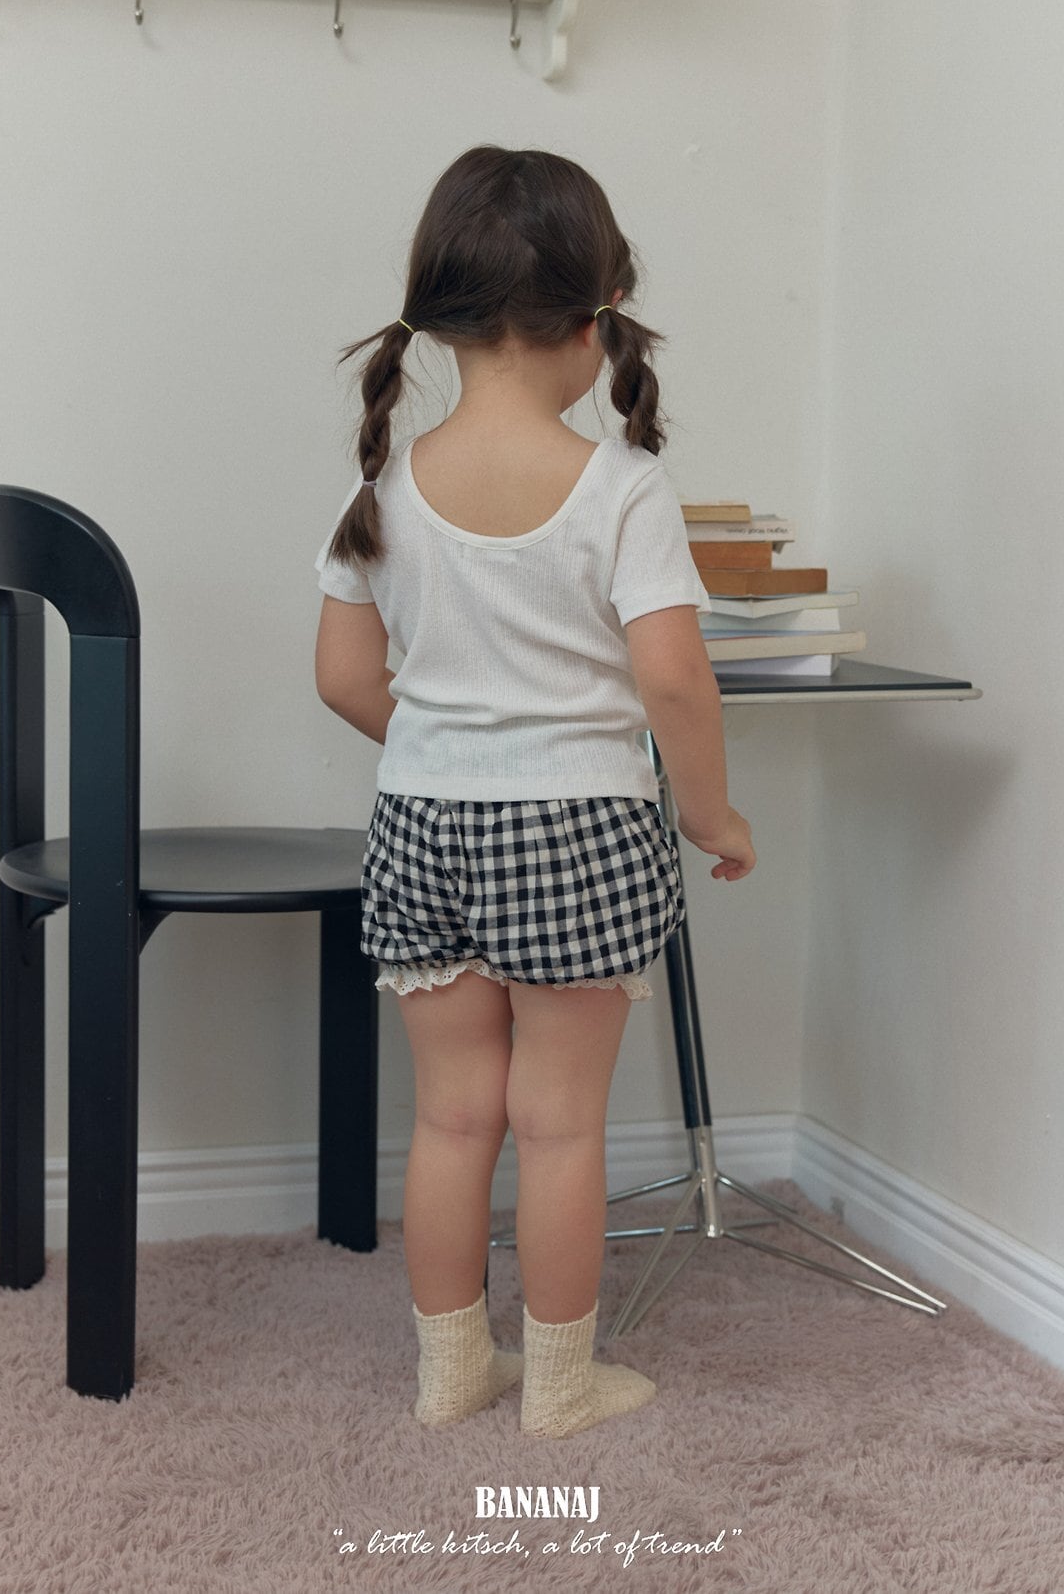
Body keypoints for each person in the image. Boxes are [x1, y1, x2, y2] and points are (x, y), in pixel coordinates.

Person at [312, 145, 756, 1439]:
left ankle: (452, 1369)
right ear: (594, 317)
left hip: (420, 828)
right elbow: (673, 678)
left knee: (453, 1120)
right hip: (578, 829)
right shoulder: (622, 487)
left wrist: (449, 749)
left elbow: (342, 678)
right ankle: (560, 1387)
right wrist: (709, 815)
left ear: (443, 317)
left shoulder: (384, 486)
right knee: (559, 1128)